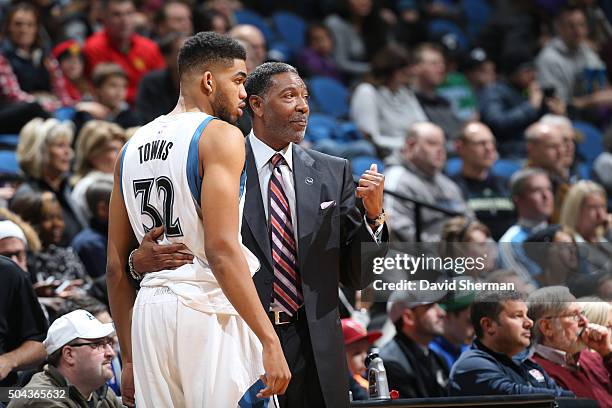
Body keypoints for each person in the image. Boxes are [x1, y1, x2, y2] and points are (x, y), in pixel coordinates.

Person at [132, 61, 389, 408]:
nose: (302, 106)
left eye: (305, 96)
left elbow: (358, 276)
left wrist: (374, 217)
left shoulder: (333, 170)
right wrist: (137, 261)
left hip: (317, 344)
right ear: (256, 105)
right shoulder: (224, 163)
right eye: (289, 96)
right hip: (241, 337)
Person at [106, 32, 291, 408]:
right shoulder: (220, 135)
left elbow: (114, 268)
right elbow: (221, 249)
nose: (244, 93)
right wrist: (270, 340)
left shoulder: (131, 146)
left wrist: (128, 359)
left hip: (149, 315)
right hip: (208, 309)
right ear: (209, 81)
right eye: (238, 80)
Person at [449, 290, 574, 397]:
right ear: (488, 325)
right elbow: (517, 397)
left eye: (527, 315)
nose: (529, 322)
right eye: (518, 316)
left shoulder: (528, 364)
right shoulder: (472, 364)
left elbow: (565, 400)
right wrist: (570, 397)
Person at [8, 309, 121, 408]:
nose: (110, 353)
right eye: (97, 345)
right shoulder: (42, 399)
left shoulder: (97, 390)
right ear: (69, 354)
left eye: (109, 343)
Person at [384, 121, 468, 242]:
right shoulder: (396, 179)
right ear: (411, 145)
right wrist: (443, 250)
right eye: (432, 143)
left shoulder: (448, 184)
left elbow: (468, 220)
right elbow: (397, 232)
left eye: (442, 145)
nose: (440, 150)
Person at [528, 287, 612, 407]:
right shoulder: (537, 373)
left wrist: (607, 353)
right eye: (574, 315)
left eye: (582, 313)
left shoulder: (591, 357)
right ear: (547, 327)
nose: (584, 321)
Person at [14, 118, 87, 245]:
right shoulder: (28, 196)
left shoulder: (65, 188)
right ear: (40, 152)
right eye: (60, 145)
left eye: (68, 145)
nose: (68, 152)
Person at [83, 0, 165, 105]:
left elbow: (162, 86)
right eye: (117, 15)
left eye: (129, 13)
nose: (124, 20)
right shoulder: (93, 48)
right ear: (103, 17)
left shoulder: (150, 48)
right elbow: (101, 92)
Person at [381, 289, 449, 398]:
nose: (441, 313)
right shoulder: (391, 363)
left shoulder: (436, 358)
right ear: (409, 317)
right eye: (430, 307)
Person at [452, 122, 515, 240]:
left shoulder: (507, 183)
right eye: (481, 143)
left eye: (492, 143)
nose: (489, 148)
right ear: (460, 147)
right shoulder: (451, 187)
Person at [498, 168, 554, 285]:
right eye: (536, 190)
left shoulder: (563, 234)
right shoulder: (510, 242)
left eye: (549, 189)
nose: (546, 195)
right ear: (517, 199)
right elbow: (525, 290)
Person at [0, 256, 48, 388]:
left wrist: (8, 360)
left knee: (62, 395)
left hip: (3, 392)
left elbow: (41, 343)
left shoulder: (7, 273)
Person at [341, 318, 382, 401]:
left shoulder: (368, 379)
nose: (365, 358)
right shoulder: (347, 387)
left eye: (367, 351)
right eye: (357, 353)